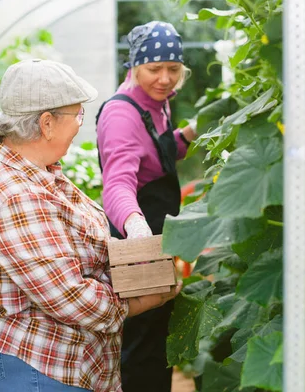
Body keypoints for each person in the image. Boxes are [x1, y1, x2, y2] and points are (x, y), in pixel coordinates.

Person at [0, 59, 180, 392]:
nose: (81, 124)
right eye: (77, 115)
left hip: (62, 362)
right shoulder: (16, 196)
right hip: (34, 365)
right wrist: (143, 300)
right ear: (46, 123)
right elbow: (70, 296)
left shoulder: (38, 170)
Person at [96, 21, 198, 392]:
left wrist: (185, 136)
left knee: (156, 336)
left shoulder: (156, 104)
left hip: (158, 235)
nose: (165, 78)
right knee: (140, 343)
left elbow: (154, 157)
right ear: (134, 66)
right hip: (138, 240)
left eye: (174, 69)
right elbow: (118, 183)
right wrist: (136, 227)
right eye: (154, 69)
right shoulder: (121, 114)